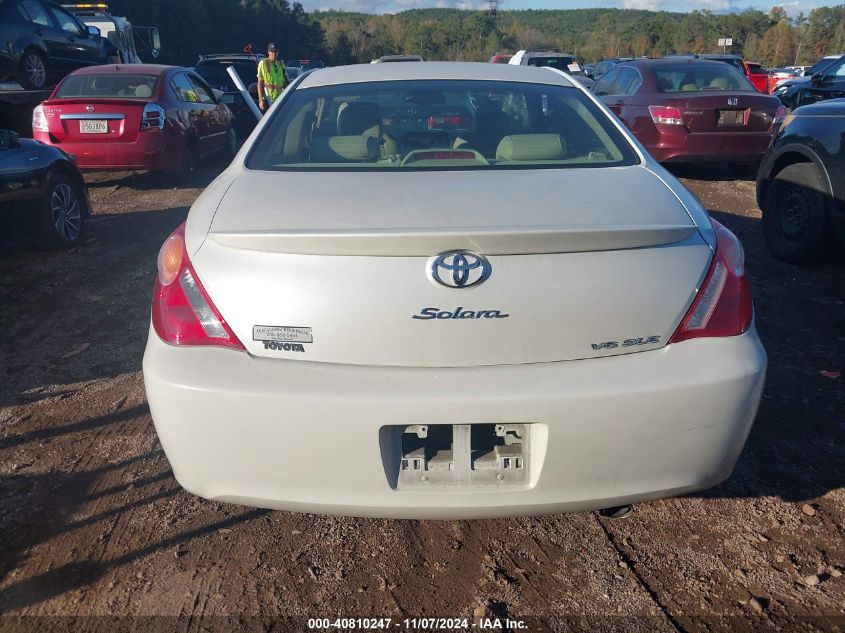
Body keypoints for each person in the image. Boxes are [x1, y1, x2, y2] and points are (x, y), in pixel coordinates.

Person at [257, 42, 288, 111]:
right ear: (268, 52)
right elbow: (260, 83)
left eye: (275, 51)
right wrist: (261, 100)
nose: (273, 54)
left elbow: (285, 81)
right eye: (272, 51)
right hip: (269, 99)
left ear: (278, 52)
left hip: (280, 99)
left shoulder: (281, 63)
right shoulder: (263, 63)